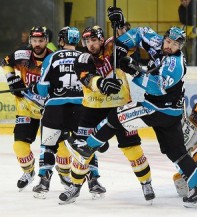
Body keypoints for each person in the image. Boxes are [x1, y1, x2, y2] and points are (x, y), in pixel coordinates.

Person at [65, 10, 197, 208]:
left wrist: (133, 70)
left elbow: (158, 87)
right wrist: (122, 40)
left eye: (175, 45)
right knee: (176, 153)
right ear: (165, 38)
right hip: (171, 112)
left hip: (159, 109)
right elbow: (140, 33)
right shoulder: (157, 41)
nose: (169, 46)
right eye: (168, 41)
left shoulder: (175, 64)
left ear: (181, 47)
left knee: (118, 116)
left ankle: (87, 147)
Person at [59, 23, 154, 204]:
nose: (90, 45)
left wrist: (120, 25)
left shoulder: (113, 45)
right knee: (83, 150)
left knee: (132, 148)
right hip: (92, 110)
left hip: (120, 108)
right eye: (87, 41)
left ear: (102, 39)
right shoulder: (82, 58)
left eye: (94, 40)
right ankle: (75, 186)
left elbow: (132, 42)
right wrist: (101, 84)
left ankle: (146, 183)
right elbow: (87, 78)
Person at [29, 26, 85, 199]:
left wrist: (34, 87)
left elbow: (43, 89)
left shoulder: (52, 57)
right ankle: (92, 181)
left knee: (48, 145)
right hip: (80, 107)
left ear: (61, 40)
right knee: (83, 145)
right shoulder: (85, 57)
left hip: (55, 107)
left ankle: (44, 182)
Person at [1, 26, 53, 191]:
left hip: (50, 110)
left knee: (61, 148)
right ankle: (29, 172)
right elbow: (5, 62)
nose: (37, 44)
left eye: (41, 40)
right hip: (26, 108)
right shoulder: (22, 55)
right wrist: (11, 79)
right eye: (35, 40)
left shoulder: (53, 58)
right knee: (19, 146)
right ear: (30, 40)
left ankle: (65, 173)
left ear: (46, 41)